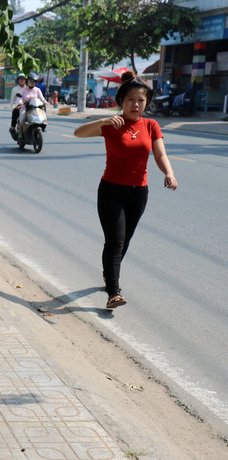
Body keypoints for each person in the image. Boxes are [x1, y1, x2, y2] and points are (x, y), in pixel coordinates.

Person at [72, 71, 178, 309]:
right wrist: (103, 121)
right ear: (121, 101)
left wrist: (169, 173)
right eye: (131, 100)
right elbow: (78, 132)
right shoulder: (112, 125)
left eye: (141, 100)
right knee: (115, 241)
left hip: (138, 193)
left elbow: (160, 154)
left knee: (125, 240)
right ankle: (113, 292)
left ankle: (109, 274)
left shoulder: (151, 125)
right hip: (111, 191)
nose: (136, 104)